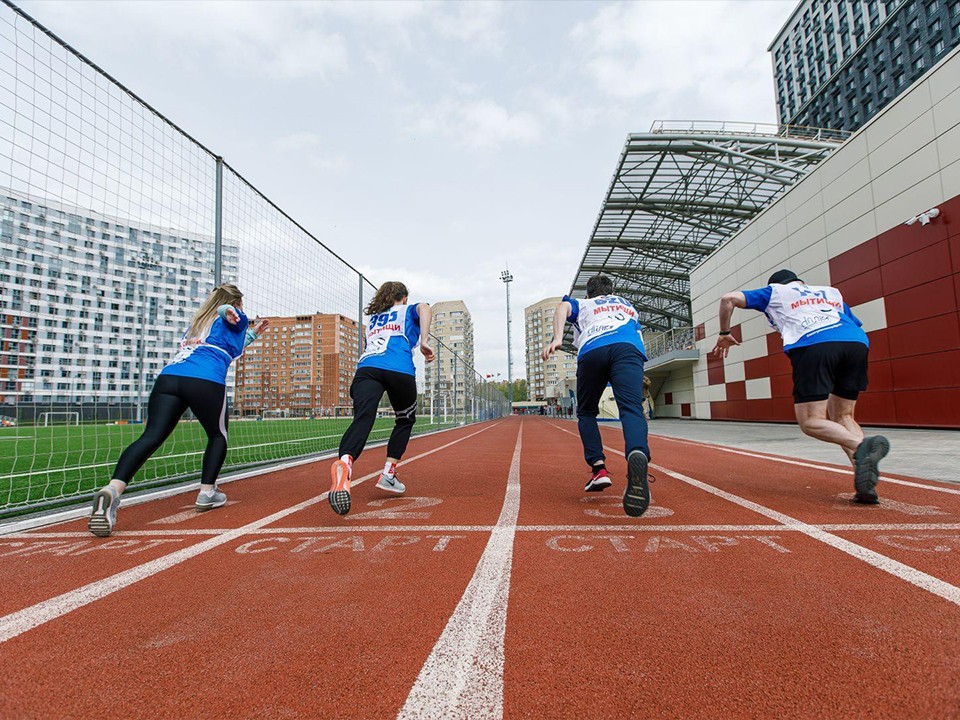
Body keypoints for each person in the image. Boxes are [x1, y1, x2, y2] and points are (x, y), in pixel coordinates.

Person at [88, 284, 268, 537]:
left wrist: (252, 335)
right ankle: (207, 492)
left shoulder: (197, 324)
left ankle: (113, 490)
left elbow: (230, 348)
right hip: (204, 379)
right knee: (218, 435)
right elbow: (233, 320)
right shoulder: (232, 315)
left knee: (151, 436)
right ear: (237, 303)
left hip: (169, 377)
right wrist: (229, 310)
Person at [712, 268, 889, 504]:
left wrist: (724, 332)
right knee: (844, 416)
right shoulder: (829, 292)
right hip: (856, 343)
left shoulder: (775, 291)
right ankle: (865, 481)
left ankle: (861, 446)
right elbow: (851, 321)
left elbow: (728, 299)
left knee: (810, 421)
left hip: (815, 342)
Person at [543, 274, 652, 517]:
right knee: (631, 409)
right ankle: (637, 453)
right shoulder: (628, 306)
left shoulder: (584, 304)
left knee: (586, 412)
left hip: (593, 348)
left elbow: (562, 307)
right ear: (611, 290)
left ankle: (598, 469)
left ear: (589, 293)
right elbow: (640, 337)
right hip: (628, 348)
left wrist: (558, 338)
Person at [328, 281, 434, 516]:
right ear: (404, 297)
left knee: (363, 418)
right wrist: (424, 340)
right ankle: (388, 473)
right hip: (399, 368)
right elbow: (425, 308)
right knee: (404, 420)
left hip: (366, 368)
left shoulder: (373, 320)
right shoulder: (408, 309)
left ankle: (345, 463)